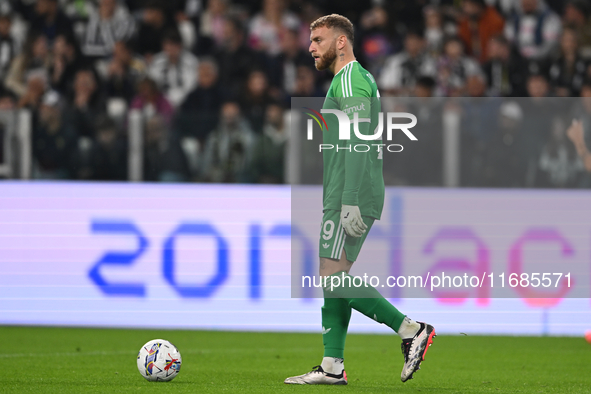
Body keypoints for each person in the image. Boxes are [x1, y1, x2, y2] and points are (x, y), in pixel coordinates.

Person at [284, 14, 436, 386]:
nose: (310, 47)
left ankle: (410, 329)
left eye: (318, 39)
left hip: (349, 194)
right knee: (334, 275)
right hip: (349, 190)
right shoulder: (356, 78)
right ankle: (332, 365)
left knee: (332, 276)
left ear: (341, 42)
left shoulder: (350, 79)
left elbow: (357, 140)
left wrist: (349, 198)